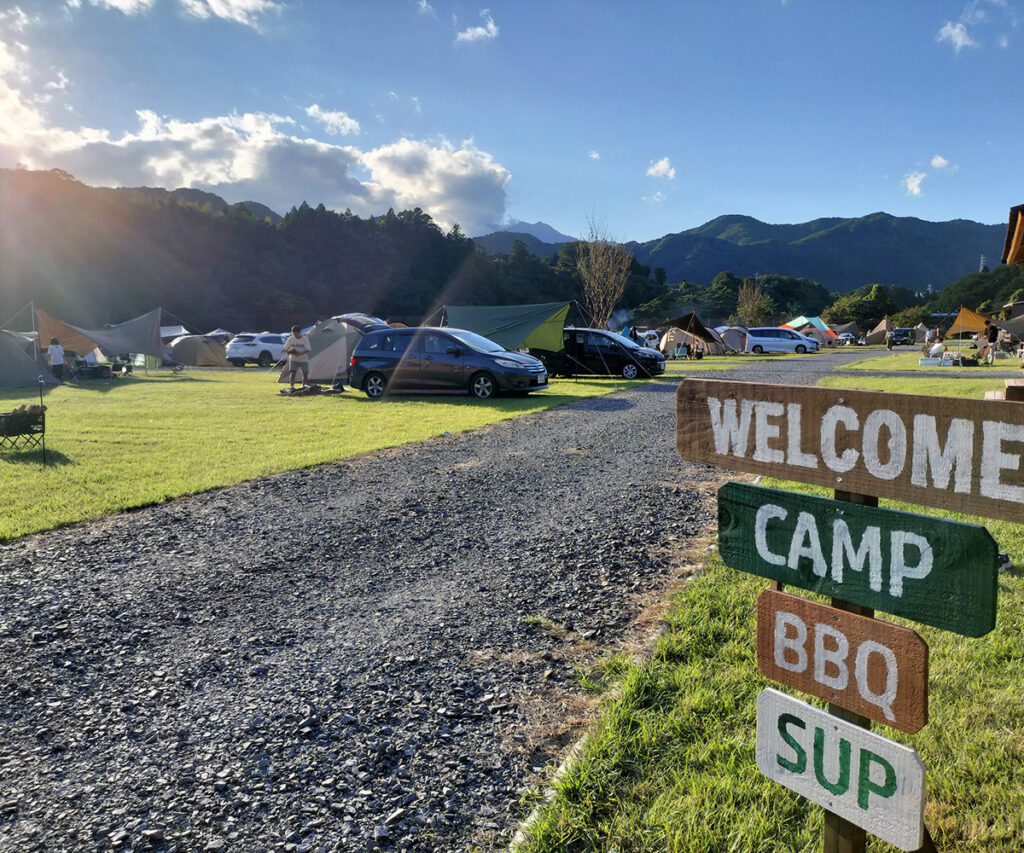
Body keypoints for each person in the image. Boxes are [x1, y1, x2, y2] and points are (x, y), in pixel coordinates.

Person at [282, 325, 311, 389]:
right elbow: (285, 348)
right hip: (293, 359)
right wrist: (290, 351)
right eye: (294, 333)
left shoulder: (304, 339)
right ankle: (292, 386)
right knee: (293, 373)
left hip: (303, 359)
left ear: (299, 332)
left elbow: (308, 349)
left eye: (296, 333)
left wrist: (300, 353)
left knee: (305, 373)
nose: (295, 335)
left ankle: (304, 386)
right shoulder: (290, 339)